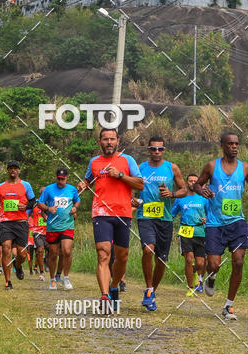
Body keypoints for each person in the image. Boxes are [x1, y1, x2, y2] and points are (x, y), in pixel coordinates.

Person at [195, 131, 248, 320]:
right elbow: (197, 185)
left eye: (237, 144)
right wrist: (203, 191)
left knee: (239, 261)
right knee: (214, 264)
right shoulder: (211, 166)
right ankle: (211, 276)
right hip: (215, 223)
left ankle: (228, 306)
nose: (234, 147)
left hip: (237, 222)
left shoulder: (245, 168)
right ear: (222, 146)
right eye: (230, 144)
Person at [76, 127, 143, 307]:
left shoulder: (127, 160)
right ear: (100, 142)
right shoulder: (94, 162)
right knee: (103, 254)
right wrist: (83, 185)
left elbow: (140, 184)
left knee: (122, 257)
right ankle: (105, 296)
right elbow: (88, 180)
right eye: (105, 139)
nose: (109, 143)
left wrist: (120, 175)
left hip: (123, 213)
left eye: (112, 139)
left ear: (118, 141)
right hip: (101, 213)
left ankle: (114, 286)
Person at [136, 136, 186, 311]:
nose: (157, 152)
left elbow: (184, 189)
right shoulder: (140, 168)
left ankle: (152, 292)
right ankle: (149, 288)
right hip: (145, 216)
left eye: (160, 149)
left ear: (164, 150)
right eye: (153, 149)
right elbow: (130, 186)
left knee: (161, 260)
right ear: (148, 150)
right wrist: (132, 200)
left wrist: (172, 194)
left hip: (164, 218)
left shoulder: (171, 168)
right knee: (148, 249)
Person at [0, 160, 36, 290]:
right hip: (5, 222)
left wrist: (26, 206)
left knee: (22, 254)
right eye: (10, 168)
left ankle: (17, 265)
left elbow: (33, 202)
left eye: (15, 168)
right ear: (7, 170)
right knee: (6, 249)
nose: (13, 170)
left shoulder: (26, 185)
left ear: (18, 171)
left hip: (21, 222)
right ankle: (8, 281)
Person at [38, 168, 80, 290]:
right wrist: (48, 209)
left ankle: (66, 277)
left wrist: (75, 208)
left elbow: (77, 201)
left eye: (63, 179)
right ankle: (52, 280)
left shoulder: (72, 189)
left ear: (67, 177)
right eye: (58, 178)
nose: (60, 181)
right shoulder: (49, 189)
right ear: (56, 177)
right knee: (53, 254)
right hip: (53, 226)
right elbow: (40, 203)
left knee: (67, 251)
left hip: (67, 225)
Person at [171, 173, 208, 295]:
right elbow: (171, 214)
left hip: (200, 232)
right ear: (187, 183)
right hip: (185, 231)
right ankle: (190, 287)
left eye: (195, 181)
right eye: (190, 181)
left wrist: (207, 219)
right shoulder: (181, 198)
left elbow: (211, 215)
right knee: (188, 259)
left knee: (200, 263)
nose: (192, 183)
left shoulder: (203, 198)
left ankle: (198, 279)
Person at [30, 191, 47, 281]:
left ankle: (47, 261)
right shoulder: (34, 204)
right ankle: (41, 272)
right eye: (41, 193)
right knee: (40, 250)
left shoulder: (50, 202)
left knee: (53, 252)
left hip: (49, 231)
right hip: (37, 232)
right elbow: (27, 212)